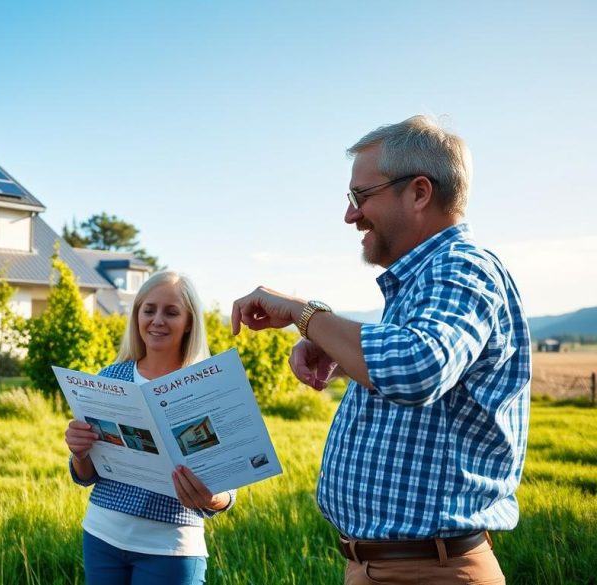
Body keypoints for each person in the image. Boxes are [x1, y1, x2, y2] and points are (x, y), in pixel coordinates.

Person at [231, 115, 530, 584]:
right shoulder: (423, 283)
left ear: (418, 192)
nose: (350, 215)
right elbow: (425, 378)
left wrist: (303, 315)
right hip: (385, 565)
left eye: (360, 196)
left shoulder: (462, 267)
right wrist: (334, 350)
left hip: (432, 571)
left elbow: (416, 367)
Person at [64, 271, 236, 585]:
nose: (157, 320)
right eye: (149, 310)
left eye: (171, 312)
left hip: (171, 548)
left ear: (189, 323)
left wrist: (211, 499)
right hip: (102, 536)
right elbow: (85, 475)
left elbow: (228, 491)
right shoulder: (110, 377)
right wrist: (79, 452)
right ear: (137, 316)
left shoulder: (205, 387)